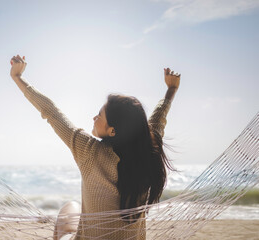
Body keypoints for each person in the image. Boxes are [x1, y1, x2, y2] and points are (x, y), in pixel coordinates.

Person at [9, 55, 180, 240]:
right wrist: (171, 89)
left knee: (68, 210)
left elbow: (51, 112)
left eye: (100, 115)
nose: (94, 117)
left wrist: (18, 77)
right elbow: (158, 120)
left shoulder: (89, 151)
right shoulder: (147, 152)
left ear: (112, 130)